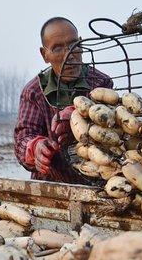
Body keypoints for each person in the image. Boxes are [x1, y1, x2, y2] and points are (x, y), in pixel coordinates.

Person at [14, 17, 113, 184]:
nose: (69, 56)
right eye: (58, 48)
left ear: (81, 44)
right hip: (51, 185)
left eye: (74, 45)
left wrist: (79, 115)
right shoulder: (34, 92)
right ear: (45, 54)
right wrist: (36, 147)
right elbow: (23, 138)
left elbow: (111, 130)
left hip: (96, 182)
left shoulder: (101, 83)